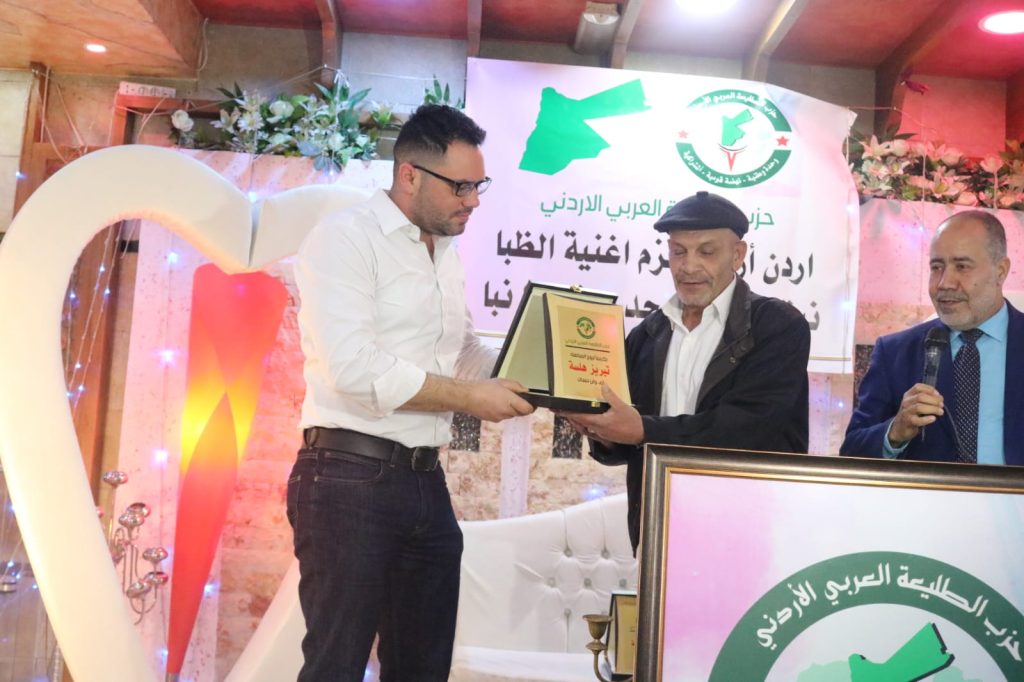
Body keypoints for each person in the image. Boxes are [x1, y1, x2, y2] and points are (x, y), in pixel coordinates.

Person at [288, 104, 534, 682]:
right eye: (461, 187)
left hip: (425, 480)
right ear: (409, 175)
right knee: (335, 666)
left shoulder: (444, 253)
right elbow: (354, 367)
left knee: (423, 668)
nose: (473, 201)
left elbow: (463, 352)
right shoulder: (345, 238)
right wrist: (469, 399)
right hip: (347, 476)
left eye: (479, 186)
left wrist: (542, 372)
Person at [561, 191, 810, 552]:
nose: (689, 266)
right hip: (658, 528)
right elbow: (626, 448)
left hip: (749, 530)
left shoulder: (777, 326)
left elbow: (748, 427)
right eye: (679, 251)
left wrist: (641, 429)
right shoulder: (647, 334)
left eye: (706, 252)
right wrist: (602, 430)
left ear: (738, 255)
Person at [841, 210, 1024, 464]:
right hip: (924, 492)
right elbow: (851, 452)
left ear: (1001, 271)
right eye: (937, 267)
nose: (944, 283)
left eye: (962, 267)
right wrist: (895, 433)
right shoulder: (894, 353)